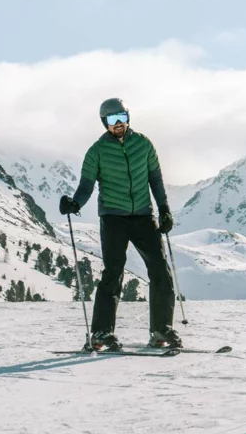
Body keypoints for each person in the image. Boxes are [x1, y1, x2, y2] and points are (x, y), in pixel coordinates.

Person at [59, 98, 180, 352]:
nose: (118, 124)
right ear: (104, 123)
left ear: (128, 117)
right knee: (113, 272)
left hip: (144, 216)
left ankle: (161, 330)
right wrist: (75, 203)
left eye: (122, 118)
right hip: (113, 218)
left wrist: (165, 210)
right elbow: (86, 186)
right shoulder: (97, 151)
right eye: (112, 120)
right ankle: (102, 333)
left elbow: (155, 180)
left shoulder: (143, 144)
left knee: (159, 268)